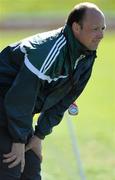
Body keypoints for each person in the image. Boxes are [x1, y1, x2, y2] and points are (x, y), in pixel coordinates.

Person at [0, 2, 106, 180]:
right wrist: (18, 140)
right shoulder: (48, 50)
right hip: (7, 105)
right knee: (12, 168)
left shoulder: (86, 55)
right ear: (76, 27)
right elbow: (19, 97)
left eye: (103, 28)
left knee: (31, 168)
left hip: (16, 112)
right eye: (95, 29)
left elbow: (65, 100)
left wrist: (39, 135)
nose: (101, 35)